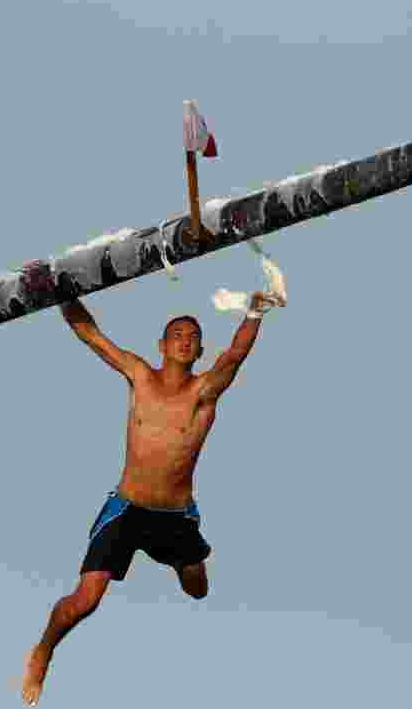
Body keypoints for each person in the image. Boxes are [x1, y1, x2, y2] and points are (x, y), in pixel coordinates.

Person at [21, 289, 286, 705]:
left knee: (198, 589)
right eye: (177, 334)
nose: (184, 340)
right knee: (84, 602)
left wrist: (255, 311)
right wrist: (61, 292)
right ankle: (43, 651)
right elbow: (93, 337)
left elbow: (234, 356)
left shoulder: (204, 392)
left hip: (175, 516)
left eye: (192, 336)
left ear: (199, 350)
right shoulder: (140, 376)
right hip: (126, 508)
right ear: (162, 345)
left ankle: (178, 560)